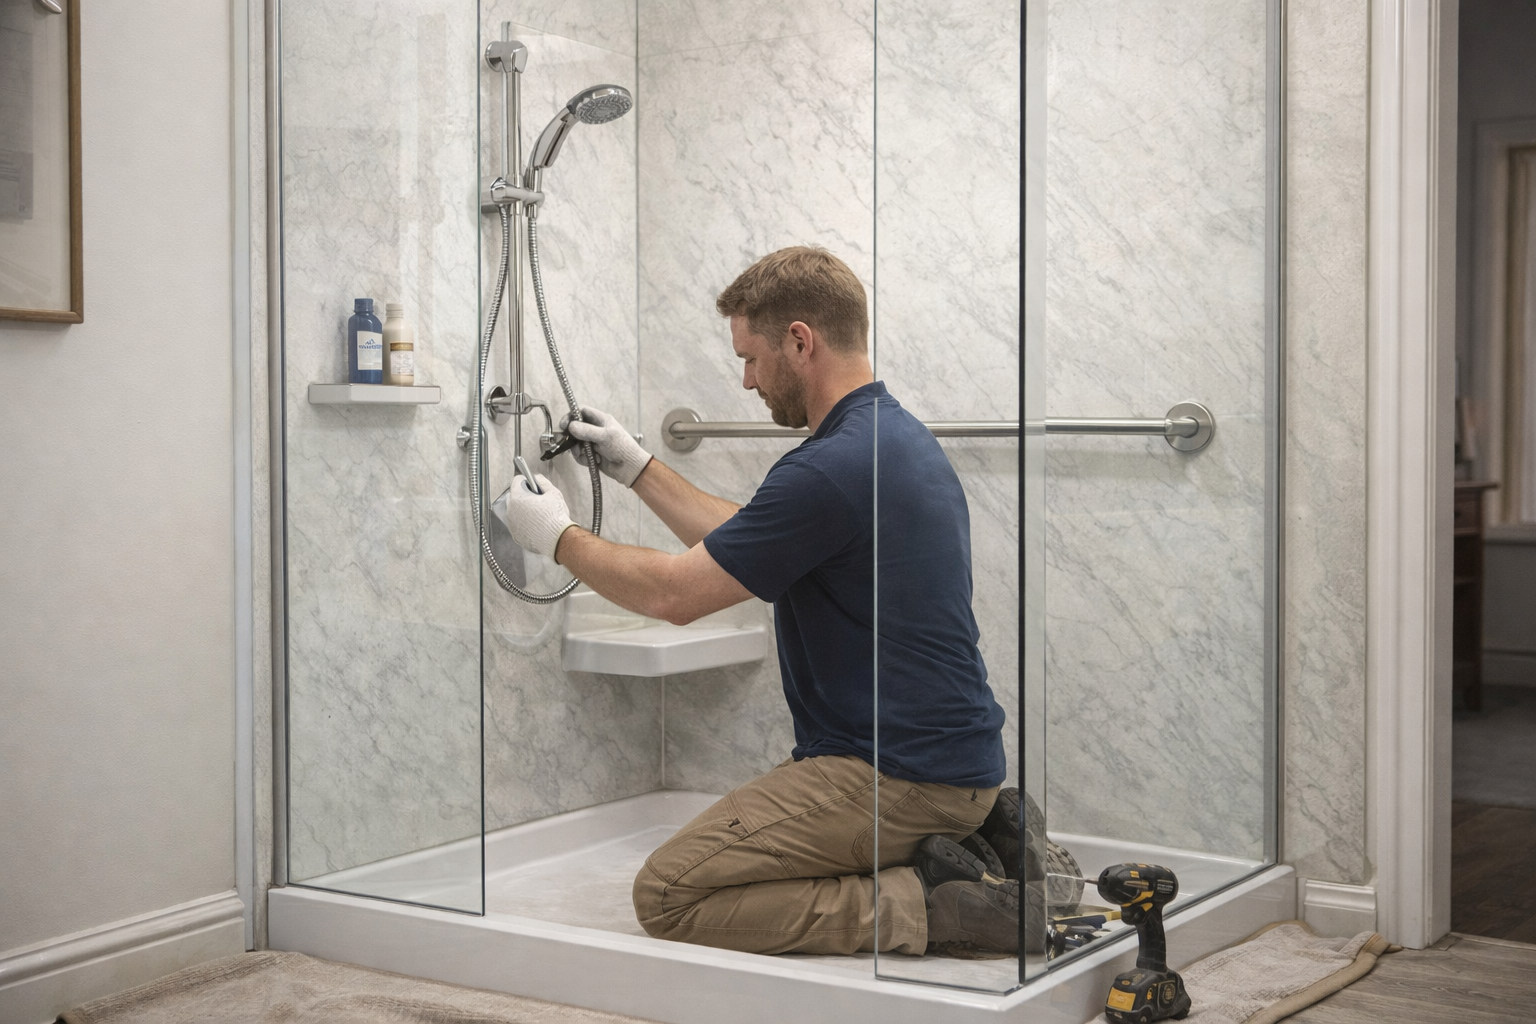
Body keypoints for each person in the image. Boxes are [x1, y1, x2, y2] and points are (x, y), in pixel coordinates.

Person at [496, 246, 1019, 957]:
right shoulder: (890, 438)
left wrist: (555, 537)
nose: (746, 381)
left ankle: (927, 906)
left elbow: (674, 594)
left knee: (670, 894)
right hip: (946, 764)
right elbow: (752, 538)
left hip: (898, 775)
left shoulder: (831, 466)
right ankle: (987, 847)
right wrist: (637, 469)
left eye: (750, 357)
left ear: (800, 341)